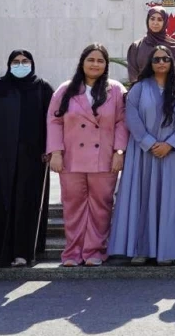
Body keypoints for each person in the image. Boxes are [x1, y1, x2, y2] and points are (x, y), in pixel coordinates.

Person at [109, 45, 175, 265]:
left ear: (171, 62)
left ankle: (168, 250)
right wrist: (149, 142)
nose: (161, 63)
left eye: (165, 59)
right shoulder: (138, 89)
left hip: (172, 154)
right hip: (143, 153)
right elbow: (132, 118)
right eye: (156, 59)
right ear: (150, 63)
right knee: (142, 197)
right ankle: (141, 249)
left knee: (171, 200)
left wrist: (171, 144)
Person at [0, 50, 54, 267]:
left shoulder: (42, 88)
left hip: (32, 158)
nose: (20, 65)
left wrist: (51, 149)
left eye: (25, 61)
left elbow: (53, 123)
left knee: (26, 201)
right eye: (16, 62)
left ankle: (23, 252)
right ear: (8, 64)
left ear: (32, 64)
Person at [46, 43, 128, 267]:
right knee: (73, 205)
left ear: (106, 65)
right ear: (82, 63)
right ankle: (72, 252)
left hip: (104, 158)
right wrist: (55, 152)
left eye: (100, 61)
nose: (95, 64)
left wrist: (119, 152)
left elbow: (122, 123)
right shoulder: (65, 90)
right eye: (91, 60)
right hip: (71, 159)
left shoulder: (116, 90)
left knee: (101, 206)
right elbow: (54, 122)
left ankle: (95, 250)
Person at [126, 6, 175, 84]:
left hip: (168, 92)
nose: (155, 23)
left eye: (160, 19)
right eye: (152, 19)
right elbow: (133, 75)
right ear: (148, 20)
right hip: (142, 92)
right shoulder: (136, 47)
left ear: (165, 22)